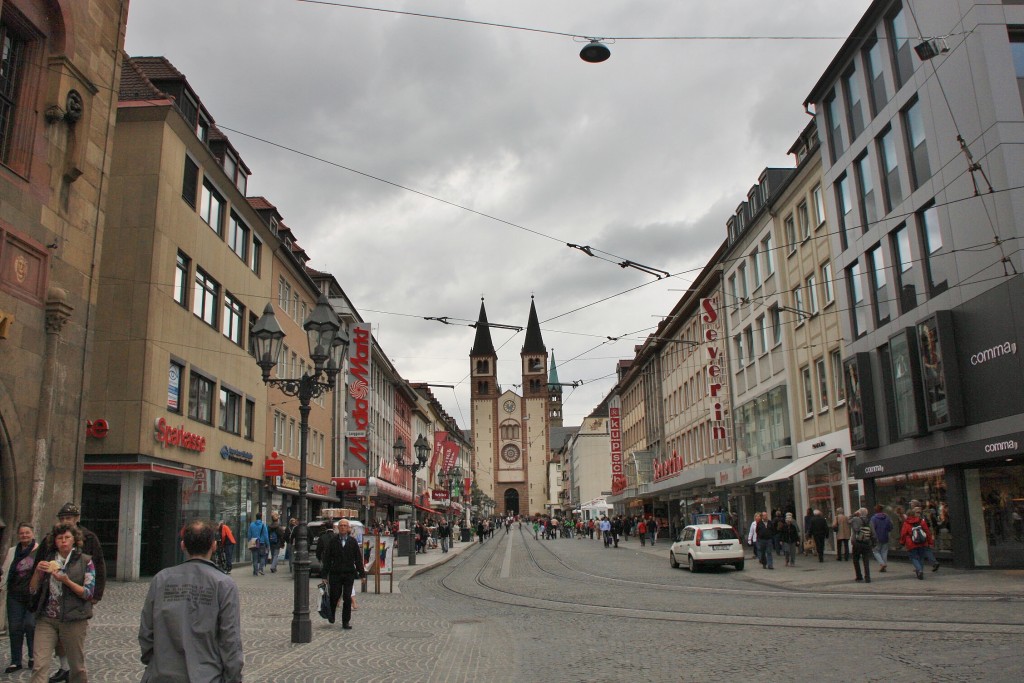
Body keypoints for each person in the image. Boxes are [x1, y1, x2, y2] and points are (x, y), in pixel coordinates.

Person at [138, 519, 242, 682]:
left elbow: (146, 632)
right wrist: (233, 677)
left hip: (163, 674)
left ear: (183, 546)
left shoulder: (161, 579)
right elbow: (230, 639)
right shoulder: (223, 584)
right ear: (214, 546)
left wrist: (154, 662)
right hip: (207, 676)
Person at [34, 503, 106, 683]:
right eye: (63, 518)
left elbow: (99, 566)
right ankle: (63, 667)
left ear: (77, 519)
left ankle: (67, 669)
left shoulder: (89, 539)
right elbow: (36, 571)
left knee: (77, 665)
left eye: (69, 518)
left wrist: (96, 595)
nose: (63, 540)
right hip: (48, 613)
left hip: (75, 608)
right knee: (40, 664)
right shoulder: (49, 542)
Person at [4, 523, 38, 673]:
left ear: (32, 534)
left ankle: (33, 656)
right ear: (18, 535)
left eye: (27, 533)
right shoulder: (13, 551)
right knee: (15, 627)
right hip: (14, 594)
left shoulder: (39, 550)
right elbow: (6, 569)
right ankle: (15, 660)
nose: (24, 535)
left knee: (30, 625)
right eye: (22, 533)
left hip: (32, 595)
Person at [321, 520, 365, 628]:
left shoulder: (353, 542)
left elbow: (358, 559)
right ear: (338, 528)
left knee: (347, 597)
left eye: (345, 526)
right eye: (341, 526)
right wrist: (324, 575)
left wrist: (362, 574)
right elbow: (327, 559)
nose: (343, 528)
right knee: (334, 596)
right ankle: (331, 615)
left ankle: (346, 622)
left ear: (348, 528)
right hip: (335, 573)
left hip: (349, 574)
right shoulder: (333, 541)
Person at [900, 506, 940, 580]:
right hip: (922, 542)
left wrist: (902, 542)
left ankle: (919, 570)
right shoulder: (921, 521)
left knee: (914, 557)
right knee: (921, 557)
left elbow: (903, 534)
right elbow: (927, 532)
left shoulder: (906, 523)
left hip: (911, 543)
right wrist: (930, 542)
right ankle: (920, 571)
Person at [849, 507, 873, 583]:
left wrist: (853, 514)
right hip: (866, 542)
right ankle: (868, 577)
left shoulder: (855, 519)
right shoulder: (870, 521)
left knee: (856, 559)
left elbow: (848, 521)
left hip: (857, 542)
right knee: (866, 560)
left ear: (859, 513)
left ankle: (859, 576)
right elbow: (873, 533)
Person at [870, 505, 893, 572]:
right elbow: (890, 526)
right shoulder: (887, 517)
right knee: (884, 551)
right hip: (885, 536)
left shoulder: (873, 518)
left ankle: (882, 563)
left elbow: (872, 528)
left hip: (877, 536)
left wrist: (873, 536)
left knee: (875, 551)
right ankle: (884, 565)